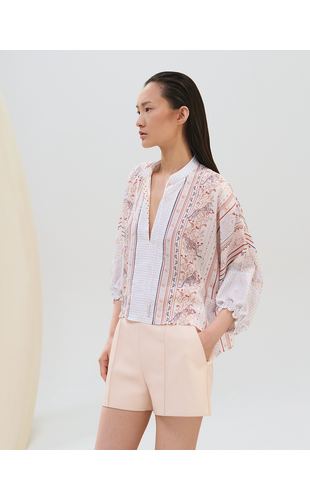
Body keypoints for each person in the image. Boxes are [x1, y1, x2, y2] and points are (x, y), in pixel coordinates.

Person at [95, 72, 263, 450]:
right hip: (128, 339)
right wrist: (112, 336)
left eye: (148, 109)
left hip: (180, 346)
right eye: (137, 111)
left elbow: (245, 265)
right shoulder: (136, 180)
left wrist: (208, 338)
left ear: (180, 114)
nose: (139, 120)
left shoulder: (213, 189)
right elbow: (124, 262)